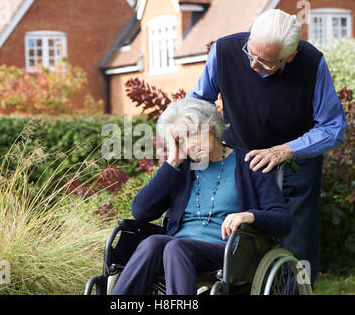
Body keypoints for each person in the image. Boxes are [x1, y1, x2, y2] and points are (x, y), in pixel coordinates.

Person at [186, 9, 347, 287]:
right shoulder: (224, 51)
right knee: (238, 243)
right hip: (239, 162)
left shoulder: (312, 63)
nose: (252, 65)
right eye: (251, 53)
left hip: (296, 165)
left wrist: (286, 149)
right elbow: (199, 102)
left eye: (266, 62)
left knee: (298, 251)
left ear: (290, 57)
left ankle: (297, 292)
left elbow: (333, 127)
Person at [111, 97, 293, 295]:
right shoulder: (182, 168)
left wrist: (249, 215)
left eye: (191, 134)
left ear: (212, 128)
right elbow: (141, 211)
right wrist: (172, 163)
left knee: (176, 248)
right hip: (176, 251)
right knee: (152, 242)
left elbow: (283, 221)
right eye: (180, 140)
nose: (188, 146)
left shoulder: (248, 164)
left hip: (230, 251)